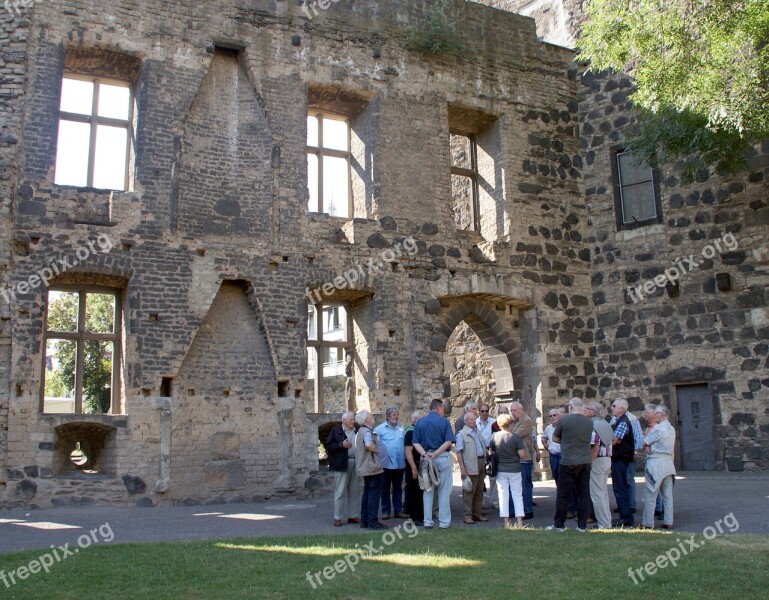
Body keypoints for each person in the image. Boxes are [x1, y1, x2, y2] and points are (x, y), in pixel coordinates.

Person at [547, 397, 594, 532]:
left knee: (563, 494)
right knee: (583, 494)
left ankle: (559, 524)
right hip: (585, 461)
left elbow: (555, 438)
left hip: (568, 461)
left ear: (570, 407)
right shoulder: (588, 422)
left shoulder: (565, 420)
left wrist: (567, 441)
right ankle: (582, 525)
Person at [413, 399, 455, 529]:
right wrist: (436, 453)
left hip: (426, 458)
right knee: (444, 491)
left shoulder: (420, 422)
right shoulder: (444, 422)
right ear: (439, 407)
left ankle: (427, 521)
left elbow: (415, 442)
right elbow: (449, 441)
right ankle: (444, 522)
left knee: (428, 490)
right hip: (441, 457)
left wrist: (425, 454)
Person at [641, 405, 676, 530]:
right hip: (668, 462)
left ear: (661, 414)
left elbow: (644, 442)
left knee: (650, 493)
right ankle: (668, 520)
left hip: (656, 462)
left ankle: (648, 523)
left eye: (656, 414)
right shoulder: (671, 428)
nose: (654, 416)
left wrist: (647, 446)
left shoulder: (658, 429)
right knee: (667, 495)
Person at [490, 413, 526, 527]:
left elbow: (490, 452)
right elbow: (522, 455)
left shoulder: (494, 436)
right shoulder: (515, 437)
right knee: (517, 494)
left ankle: (506, 521)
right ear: (510, 424)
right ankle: (519, 521)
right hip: (514, 468)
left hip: (500, 468)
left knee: (503, 495)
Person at [324, 411, 360, 526]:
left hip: (355, 462)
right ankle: (337, 517)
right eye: (351, 420)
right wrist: (341, 445)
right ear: (344, 420)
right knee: (340, 491)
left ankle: (353, 516)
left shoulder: (356, 431)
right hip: (341, 464)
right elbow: (328, 446)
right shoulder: (336, 430)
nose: (353, 421)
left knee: (354, 491)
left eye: (353, 419)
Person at [354, 410, 386, 530]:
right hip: (372, 467)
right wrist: (377, 450)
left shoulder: (360, 431)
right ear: (366, 420)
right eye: (371, 417)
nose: (373, 418)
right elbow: (368, 444)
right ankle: (372, 521)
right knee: (374, 494)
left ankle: (365, 520)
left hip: (365, 466)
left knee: (367, 493)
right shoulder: (367, 431)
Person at [374, 407, 408, 520]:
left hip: (399, 463)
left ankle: (398, 510)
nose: (396, 417)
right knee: (385, 488)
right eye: (394, 415)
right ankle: (385, 511)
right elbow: (374, 443)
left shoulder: (402, 429)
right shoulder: (379, 429)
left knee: (398, 488)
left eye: (397, 414)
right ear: (388, 416)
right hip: (386, 464)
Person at [455, 412, 488, 525]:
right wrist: (462, 468)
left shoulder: (477, 432)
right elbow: (459, 453)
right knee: (469, 491)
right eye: (471, 419)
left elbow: (484, 444)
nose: (474, 421)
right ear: (465, 421)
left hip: (480, 462)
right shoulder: (461, 435)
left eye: (474, 419)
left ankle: (477, 513)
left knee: (479, 490)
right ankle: (467, 515)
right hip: (470, 465)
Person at [586, 401, 613, 529]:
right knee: (603, 493)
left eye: (588, 408)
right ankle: (606, 521)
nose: (585, 411)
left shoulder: (594, 425)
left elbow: (595, 446)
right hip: (607, 459)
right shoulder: (605, 424)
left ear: (593, 412)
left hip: (597, 460)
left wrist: (589, 462)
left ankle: (603, 524)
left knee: (597, 494)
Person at [610, 398, 635, 527]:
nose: (611, 407)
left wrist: (610, 439)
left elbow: (614, 440)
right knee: (619, 487)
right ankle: (624, 516)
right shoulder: (619, 421)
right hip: (619, 458)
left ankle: (626, 518)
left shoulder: (623, 422)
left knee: (620, 488)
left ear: (621, 408)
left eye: (614, 406)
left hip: (620, 459)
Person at [510, 402, 535, 519]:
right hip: (515, 458)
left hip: (525, 458)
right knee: (515, 486)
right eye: (511, 411)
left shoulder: (527, 421)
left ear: (521, 409)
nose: (512, 413)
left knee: (525, 485)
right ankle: (514, 510)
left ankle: (528, 510)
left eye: (514, 411)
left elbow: (515, 436)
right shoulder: (514, 421)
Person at [404, 410, 426, 525]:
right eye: (421, 419)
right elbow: (408, 452)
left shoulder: (418, 431)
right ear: (414, 420)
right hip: (413, 465)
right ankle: (414, 517)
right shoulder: (410, 432)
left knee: (419, 490)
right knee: (414, 490)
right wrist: (413, 467)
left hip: (420, 464)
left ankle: (419, 515)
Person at [475, 403, 496, 509]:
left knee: (492, 477)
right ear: (479, 412)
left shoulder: (493, 422)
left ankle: (494, 501)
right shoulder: (474, 423)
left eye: (486, 411)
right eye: (482, 411)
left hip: (490, 452)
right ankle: (480, 502)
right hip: (478, 453)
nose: (484, 413)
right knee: (480, 479)